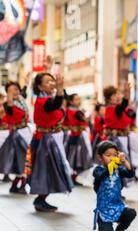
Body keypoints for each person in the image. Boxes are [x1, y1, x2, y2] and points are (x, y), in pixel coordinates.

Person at [28, 72, 73, 212]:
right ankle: (40, 199)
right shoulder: (43, 101)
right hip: (46, 141)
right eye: (48, 82)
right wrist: (59, 89)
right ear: (40, 87)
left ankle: (41, 199)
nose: (52, 83)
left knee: (50, 169)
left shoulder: (46, 99)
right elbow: (55, 104)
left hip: (50, 138)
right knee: (46, 170)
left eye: (52, 81)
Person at [93, 141, 137, 231]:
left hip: (118, 205)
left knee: (131, 213)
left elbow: (130, 174)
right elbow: (101, 175)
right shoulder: (98, 170)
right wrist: (111, 165)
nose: (112, 157)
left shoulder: (119, 170)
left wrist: (124, 161)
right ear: (100, 157)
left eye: (114, 155)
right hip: (104, 208)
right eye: (108, 155)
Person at [0, 81, 32, 194]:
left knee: (26, 160)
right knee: (22, 160)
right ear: (7, 92)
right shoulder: (7, 104)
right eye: (12, 89)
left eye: (16, 89)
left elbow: (24, 92)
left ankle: (16, 185)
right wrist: (9, 99)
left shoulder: (21, 101)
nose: (16, 91)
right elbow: (10, 111)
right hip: (17, 135)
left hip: (25, 132)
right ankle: (19, 184)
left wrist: (26, 81)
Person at [64, 93, 93, 186]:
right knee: (72, 156)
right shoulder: (70, 111)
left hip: (79, 136)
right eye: (76, 99)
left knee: (78, 157)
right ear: (71, 101)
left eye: (79, 99)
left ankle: (74, 176)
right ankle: (70, 176)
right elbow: (64, 123)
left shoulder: (78, 111)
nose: (78, 101)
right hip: (73, 136)